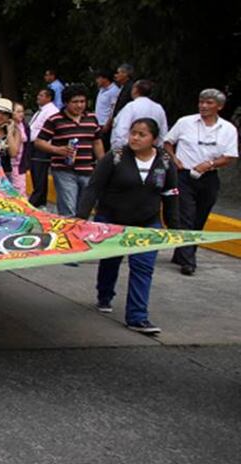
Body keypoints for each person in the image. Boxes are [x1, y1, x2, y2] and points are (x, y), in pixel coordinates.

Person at [77, 118, 179, 335]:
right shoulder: (115, 157)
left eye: (142, 134)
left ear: (154, 139)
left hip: (147, 224)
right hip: (113, 221)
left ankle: (137, 317)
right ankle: (105, 294)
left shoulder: (164, 161)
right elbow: (93, 188)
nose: (135, 138)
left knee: (143, 268)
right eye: (133, 133)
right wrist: (81, 220)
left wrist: (175, 227)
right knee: (110, 261)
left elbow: (170, 194)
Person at [164, 88, 239, 275]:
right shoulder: (185, 122)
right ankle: (188, 261)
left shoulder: (228, 129)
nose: (204, 106)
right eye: (201, 102)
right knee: (186, 216)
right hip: (184, 175)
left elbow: (230, 156)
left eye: (209, 103)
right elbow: (168, 142)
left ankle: (183, 253)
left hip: (209, 177)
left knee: (200, 217)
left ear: (219, 106)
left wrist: (210, 164)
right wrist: (174, 159)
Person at [34, 84, 104, 217]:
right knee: (68, 210)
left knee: (84, 210)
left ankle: (82, 230)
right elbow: (39, 142)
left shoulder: (92, 118)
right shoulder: (55, 120)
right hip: (63, 170)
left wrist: (102, 163)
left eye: (82, 101)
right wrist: (57, 149)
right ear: (66, 103)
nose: (79, 105)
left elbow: (97, 142)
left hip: (87, 170)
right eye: (75, 102)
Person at [109, 79, 168, 150]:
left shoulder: (131, 106)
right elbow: (163, 133)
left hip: (130, 149)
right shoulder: (159, 108)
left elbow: (121, 130)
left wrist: (121, 148)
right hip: (151, 149)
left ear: (135, 90)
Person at [27, 89, 59, 207]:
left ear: (49, 98)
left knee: (39, 172)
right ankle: (39, 199)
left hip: (43, 145)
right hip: (34, 145)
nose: (38, 97)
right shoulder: (41, 110)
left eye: (41, 95)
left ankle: (37, 199)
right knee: (36, 172)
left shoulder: (52, 111)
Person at [12, 102, 31, 197]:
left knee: (21, 190)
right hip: (9, 163)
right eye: (18, 112)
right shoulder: (7, 126)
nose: (21, 114)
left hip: (20, 163)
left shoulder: (24, 126)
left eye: (22, 112)